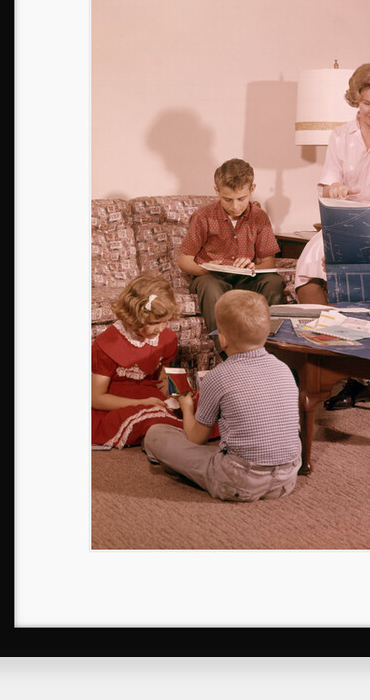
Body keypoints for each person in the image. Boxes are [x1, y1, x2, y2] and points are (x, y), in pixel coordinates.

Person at [294, 61, 370, 410]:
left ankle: (360, 374)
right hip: (346, 219)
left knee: (359, 276)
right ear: (356, 100)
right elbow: (328, 184)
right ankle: (329, 363)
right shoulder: (339, 136)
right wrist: (334, 189)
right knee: (310, 267)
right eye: (368, 103)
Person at [142, 290, 302, 502]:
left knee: (156, 434)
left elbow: (196, 438)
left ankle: (175, 464)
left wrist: (187, 406)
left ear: (223, 339)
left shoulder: (218, 376)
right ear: (267, 332)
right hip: (286, 480)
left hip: (238, 481)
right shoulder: (285, 369)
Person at [178, 158, 285, 355]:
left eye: (241, 199)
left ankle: (269, 353)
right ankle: (227, 356)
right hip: (212, 277)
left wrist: (253, 267)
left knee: (274, 282)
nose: (235, 206)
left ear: (252, 189)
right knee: (209, 286)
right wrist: (205, 268)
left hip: (246, 278)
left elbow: (268, 262)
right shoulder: (203, 216)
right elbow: (184, 260)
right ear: (217, 191)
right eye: (227, 200)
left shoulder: (259, 217)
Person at [92, 273, 195, 449]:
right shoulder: (107, 344)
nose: (161, 329)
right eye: (155, 322)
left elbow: (162, 378)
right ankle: (174, 445)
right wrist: (141, 402)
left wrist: (178, 392)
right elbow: (96, 398)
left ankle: (184, 437)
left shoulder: (166, 338)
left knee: (202, 404)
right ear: (134, 318)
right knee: (153, 418)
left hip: (150, 393)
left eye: (166, 321)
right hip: (118, 402)